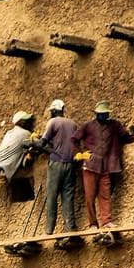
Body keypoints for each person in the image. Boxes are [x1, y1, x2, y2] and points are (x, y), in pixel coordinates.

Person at [72, 100, 134, 230]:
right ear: (96, 114)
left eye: (105, 113)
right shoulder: (88, 126)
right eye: (100, 113)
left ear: (108, 113)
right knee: (90, 196)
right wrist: (80, 153)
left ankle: (106, 222)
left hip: (106, 167)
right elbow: (74, 139)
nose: (103, 115)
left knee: (105, 195)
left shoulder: (114, 125)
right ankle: (93, 224)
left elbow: (124, 137)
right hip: (90, 166)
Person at [0, 111, 35, 241]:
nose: (28, 122)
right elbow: (38, 143)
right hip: (0, 172)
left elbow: (21, 158)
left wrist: (28, 157)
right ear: (19, 122)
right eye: (25, 120)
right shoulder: (25, 134)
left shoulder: (10, 133)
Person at [34, 99, 78, 236]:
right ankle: (70, 228)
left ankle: (49, 230)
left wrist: (34, 142)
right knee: (68, 196)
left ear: (53, 111)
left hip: (56, 163)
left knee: (52, 196)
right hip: (71, 164)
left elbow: (42, 143)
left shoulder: (53, 122)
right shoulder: (73, 124)